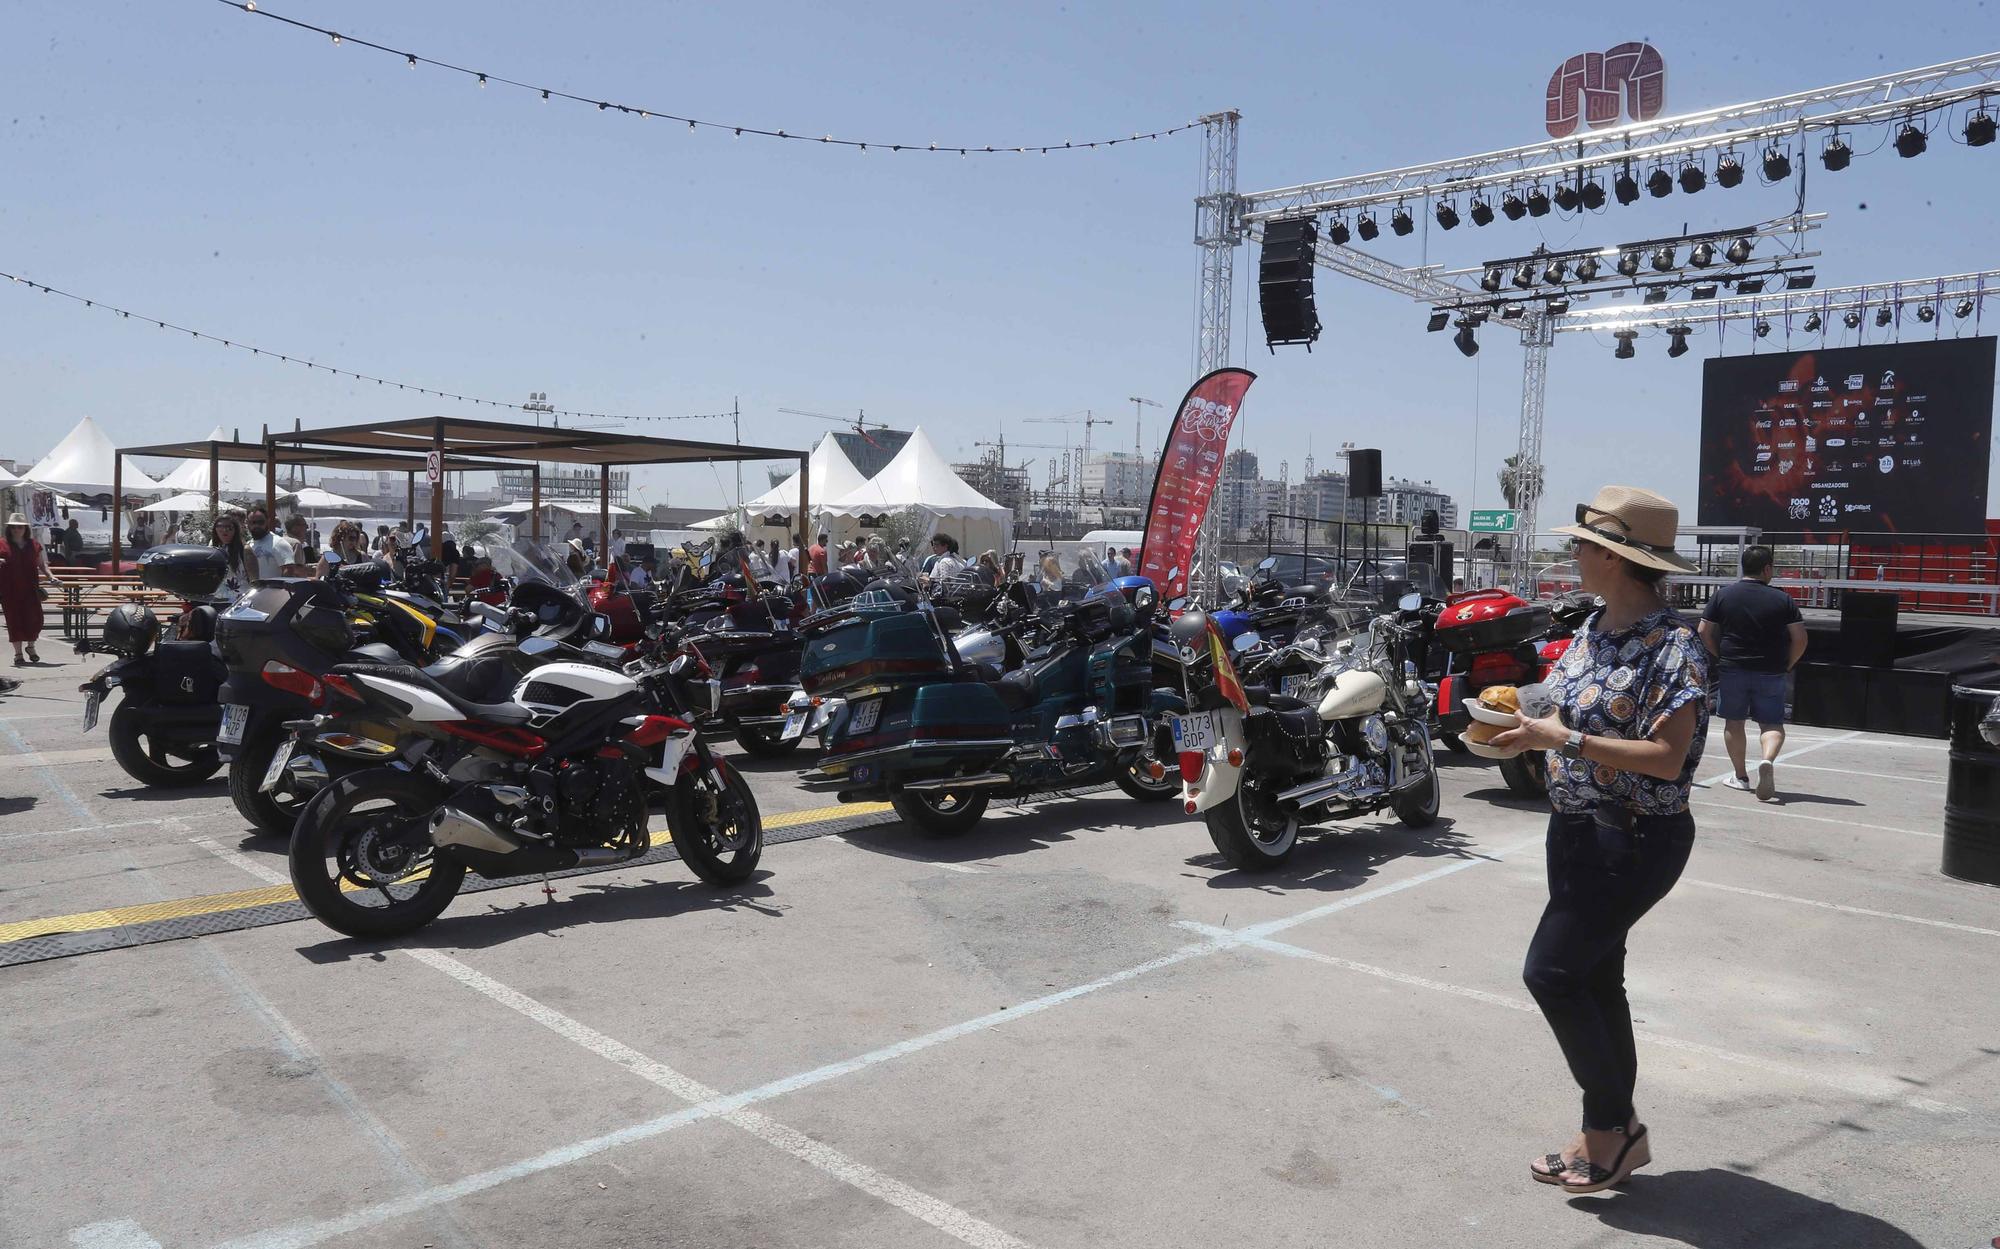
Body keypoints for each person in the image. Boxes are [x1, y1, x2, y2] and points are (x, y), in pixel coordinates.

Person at [1491, 485, 1709, 1196]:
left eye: (1583, 545)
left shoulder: (1672, 646)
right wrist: (1516, 729)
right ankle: (1612, 1132)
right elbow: (1554, 704)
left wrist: (1568, 738)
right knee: (1593, 976)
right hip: (1576, 828)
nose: (1573, 553)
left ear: (1616, 559)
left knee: (1550, 972)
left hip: (1635, 836)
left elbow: (1668, 758)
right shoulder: (1593, 628)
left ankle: (1611, 1129)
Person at [1698, 544, 1808, 801]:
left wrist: (1719, 655)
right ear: (1767, 568)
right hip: (1771, 670)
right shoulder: (1783, 599)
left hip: (1733, 668)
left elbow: (1703, 630)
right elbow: (1800, 638)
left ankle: (1740, 776)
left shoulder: (1724, 595)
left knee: (1733, 723)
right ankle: (1767, 760)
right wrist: (1788, 664)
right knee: (1771, 723)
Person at [1, 513, 58, 666]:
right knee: (14, 621)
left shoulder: (34, 545)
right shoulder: (2, 544)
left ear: (25, 528)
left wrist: (51, 577)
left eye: (19, 527)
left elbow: (42, 565)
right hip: (9, 589)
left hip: (30, 588)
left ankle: (31, 647)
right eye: (13, 527)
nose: (16, 530)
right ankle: (18, 654)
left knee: (35, 619)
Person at [211, 513, 251, 592]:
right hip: (218, 599)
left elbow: (254, 580)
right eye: (220, 527)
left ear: (235, 530)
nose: (224, 530)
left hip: (240, 599)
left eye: (229, 527)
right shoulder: (212, 550)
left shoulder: (245, 550)